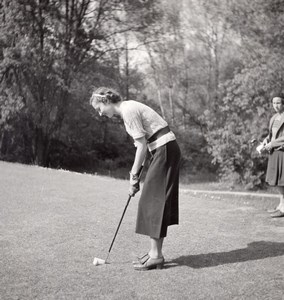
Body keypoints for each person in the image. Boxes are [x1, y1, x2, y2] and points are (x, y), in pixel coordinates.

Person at [90, 87, 181, 270]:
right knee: (153, 200)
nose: (100, 114)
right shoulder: (128, 109)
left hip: (164, 149)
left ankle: (156, 255)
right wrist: (136, 177)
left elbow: (140, 146)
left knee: (153, 201)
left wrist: (133, 177)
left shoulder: (128, 111)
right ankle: (154, 253)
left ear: (106, 102)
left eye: (99, 109)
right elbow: (144, 146)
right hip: (162, 150)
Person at [260, 96, 284, 218]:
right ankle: (281, 205)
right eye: (274, 103)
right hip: (274, 152)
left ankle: (283, 208)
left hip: (282, 152)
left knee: (282, 180)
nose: (276, 105)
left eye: (278, 103)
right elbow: (272, 135)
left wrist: (272, 144)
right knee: (277, 181)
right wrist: (266, 140)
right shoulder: (274, 117)